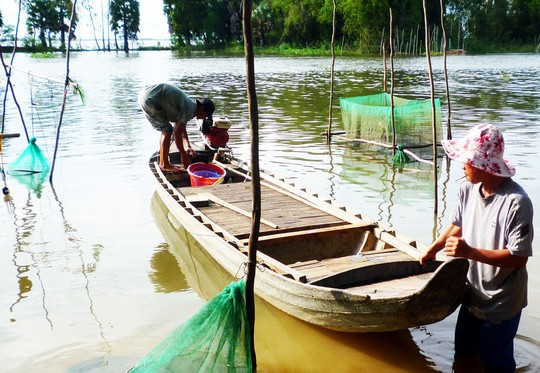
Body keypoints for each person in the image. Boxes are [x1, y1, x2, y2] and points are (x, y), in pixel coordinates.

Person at [419, 123, 534, 373]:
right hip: (472, 294)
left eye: (467, 161)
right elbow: (457, 225)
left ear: (483, 165)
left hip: (501, 302)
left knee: (496, 364)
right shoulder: (467, 188)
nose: (462, 166)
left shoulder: (516, 203)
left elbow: (519, 258)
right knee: (463, 355)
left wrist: (469, 253)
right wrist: (434, 248)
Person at [139, 83, 215, 171]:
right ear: (201, 109)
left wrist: (187, 146)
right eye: (205, 115)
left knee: (166, 129)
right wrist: (183, 155)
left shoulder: (190, 106)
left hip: (145, 95)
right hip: (150, 99)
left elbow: (181, 129)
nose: (204, 118)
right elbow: (177, 133)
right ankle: (164, 164)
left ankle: (163, 162)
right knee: (167, 130)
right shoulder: (190, 109)